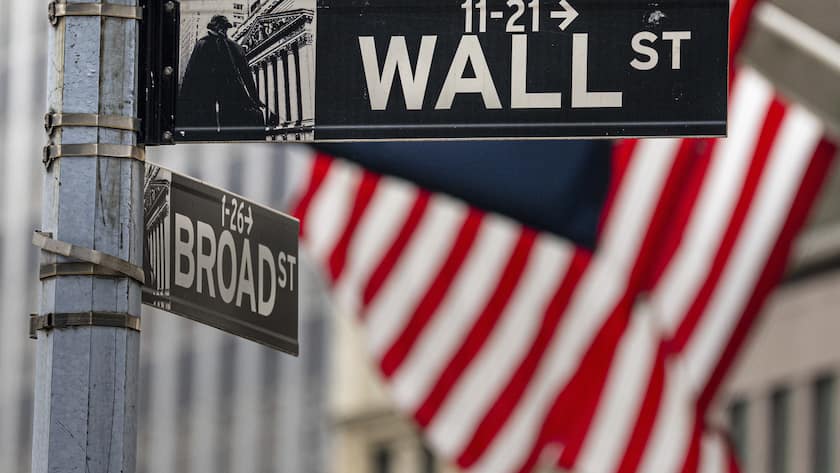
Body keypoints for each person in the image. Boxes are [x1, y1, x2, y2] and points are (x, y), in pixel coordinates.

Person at [177, 15, 266, 140]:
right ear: (214, 27)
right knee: (207, 128)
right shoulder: (202, 44)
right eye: (221, 27)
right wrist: (183, 104)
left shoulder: (234, 47)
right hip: (206, 97)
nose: (223, 30)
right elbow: (190, 75)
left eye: (225, 27)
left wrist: (255, 98)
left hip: (229, 96)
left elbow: (246, 74)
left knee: (233, 127)